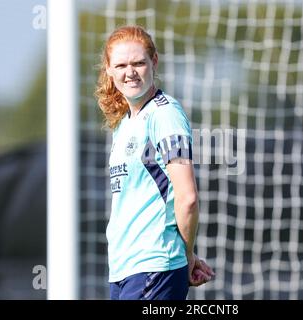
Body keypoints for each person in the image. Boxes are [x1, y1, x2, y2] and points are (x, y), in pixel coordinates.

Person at [95, 25, 215, 300]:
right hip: (124, 270)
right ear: (109, 70)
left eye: (138, 62)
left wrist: (185, 257)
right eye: (121, 65)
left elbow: (187, 198)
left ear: (154, 62)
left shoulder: (165, 116)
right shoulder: (124, 124)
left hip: (155, 266)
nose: (130, 72)